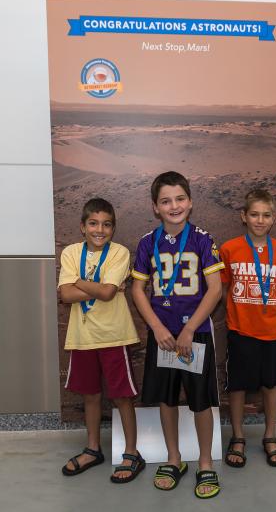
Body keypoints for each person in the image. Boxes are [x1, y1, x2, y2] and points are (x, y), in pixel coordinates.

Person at [131, 171, 224, 499]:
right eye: (166, 201)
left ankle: (203, 461)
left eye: (180, 198)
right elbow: (138, 289)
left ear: (191, 201)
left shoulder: (202, 238)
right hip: (163, 337)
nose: (174, 206)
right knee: (168, 398)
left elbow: (215, 289)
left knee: (199, 401)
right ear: (155, 207)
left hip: (194, 334)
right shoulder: (147, 242)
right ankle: (174, 458)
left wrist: (188, 329)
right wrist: (157, 327)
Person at [58, 197, 145, 483]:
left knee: (122, 396)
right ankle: (93, 449)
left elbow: (108, 294)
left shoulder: (118, 252)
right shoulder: (71, 252)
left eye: (106, 224)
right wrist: (100, 287)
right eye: (93, 223)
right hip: (82, 337)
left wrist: (79, 282)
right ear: (82, 227)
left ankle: (132, 453)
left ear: (113, 229)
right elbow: (66, 295)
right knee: (90, 395)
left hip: (113, 336)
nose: (100, 229)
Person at [220, 189, 276, 468]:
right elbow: (223, 287)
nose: (260, 220)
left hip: (271, 332)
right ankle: (238, 436)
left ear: (274, 218)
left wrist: (272, 312)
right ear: (244, 216)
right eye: (254, 214)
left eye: (266, 215)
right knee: (238, 384)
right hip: (240, 330)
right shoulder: (230, 249)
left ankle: (270, 435)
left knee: (271, 383)